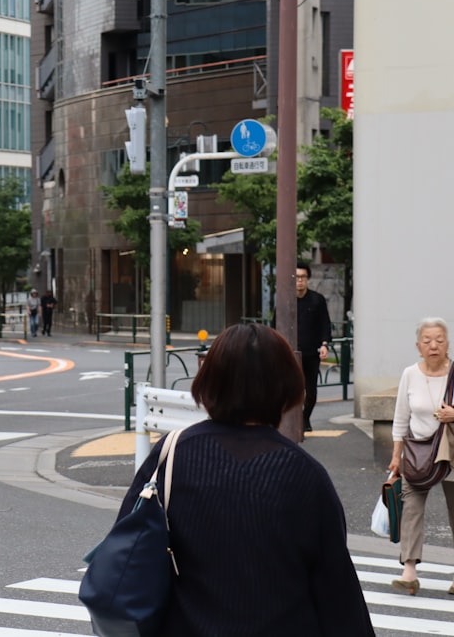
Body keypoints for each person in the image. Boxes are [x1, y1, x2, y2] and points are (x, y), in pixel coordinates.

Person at [94, 323, 373, 636]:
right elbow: (337, 591)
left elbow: (125, 546)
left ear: (209, 381)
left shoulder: (171, 455)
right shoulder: (304, 474)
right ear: (287, 387)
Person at [388, 317, 454, 595]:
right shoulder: (410, 374)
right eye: (427, 341)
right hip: (417, 452)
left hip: (451, 452)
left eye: (439, 340)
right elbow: (401, 418)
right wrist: (395, 457)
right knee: (411, 509)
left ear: (447, 343)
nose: (434, 345)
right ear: (418, 346)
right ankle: (409, 571)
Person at [296, 262, 333, 431]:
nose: (300, 281)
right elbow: (276, 324)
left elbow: (325, 324)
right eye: (296, 277)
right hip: (291, 353)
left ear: (308, 279)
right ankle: (293, 420)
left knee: (311, 391)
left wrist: (324, 344)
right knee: (293, 389)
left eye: (303, 277)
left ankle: (305, 418)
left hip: (311, 352)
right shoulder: (285, 300)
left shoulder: (317, 300)